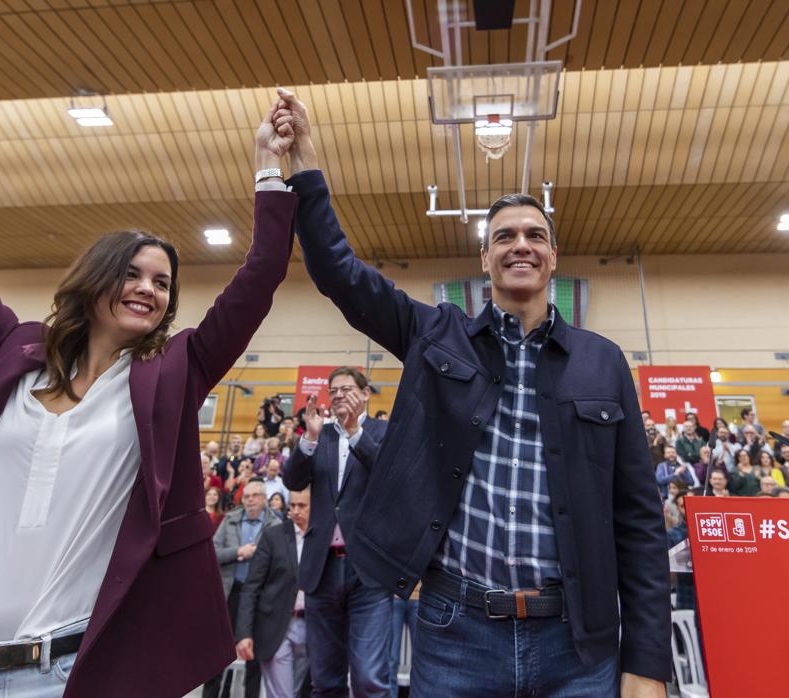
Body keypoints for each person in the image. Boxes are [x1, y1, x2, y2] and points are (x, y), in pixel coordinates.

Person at [0, 63, 299, 698]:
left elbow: (259, 277)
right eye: (133, 273)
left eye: (162, 282)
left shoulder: (172, 375)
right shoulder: (14, 352)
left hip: (59, 676)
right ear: (95, 278)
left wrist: (269, 169)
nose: (148, 288)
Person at [278, 88, 668, 696]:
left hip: (578, 644)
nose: (521, 245)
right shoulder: (438, 335)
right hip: (455, 632)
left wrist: (647, 662)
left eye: (535, 236)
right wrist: (303, 168)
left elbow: (640, 521)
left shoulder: (603, 362)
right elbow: (339, 274)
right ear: (484, 258)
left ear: (552, 257)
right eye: (505, 237)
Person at [283, 368, 392, 696]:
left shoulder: (383, 432)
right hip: (322, 568)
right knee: (325, 679)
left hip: (368, 572)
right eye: (334, 390)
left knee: (369, 678)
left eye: (347, 389)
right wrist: (311, 437)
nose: (340, 394)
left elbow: (388, 475)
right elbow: (293, 481)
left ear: (366, 393)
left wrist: (355, 430)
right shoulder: (322, 435)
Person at [209, 478, 282, 698]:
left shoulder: (276, 525)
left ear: (264, 499)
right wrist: (238, 552)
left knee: (254, 657)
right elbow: (211, 554)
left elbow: (281, 563)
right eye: (246, 496)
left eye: (255, 496)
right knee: (217, 655)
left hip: (259, 598)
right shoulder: (230, 519)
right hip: (230, 593)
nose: (250, 500)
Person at [236, 488, 312, 698]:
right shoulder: (273, 536)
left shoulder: (323, 536)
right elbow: (251, 586)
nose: (296, 511)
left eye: (302, 506)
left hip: (313, 628)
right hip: (276, 627)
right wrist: (244, 633)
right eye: (292, 506)